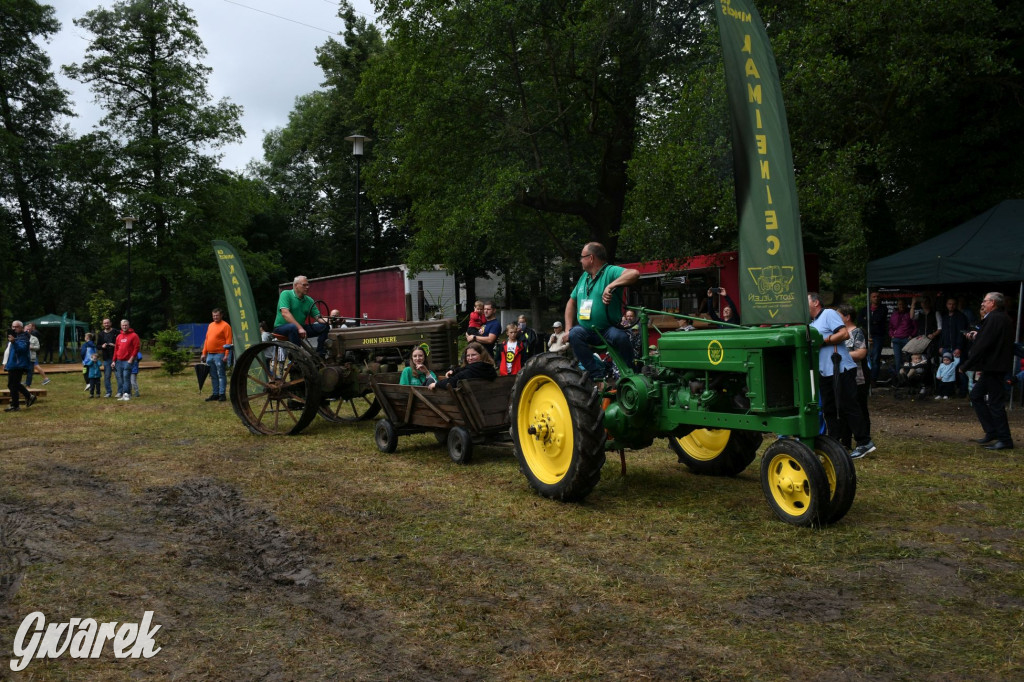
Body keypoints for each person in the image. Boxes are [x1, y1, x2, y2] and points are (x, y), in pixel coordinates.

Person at [561, 242, 640, 384]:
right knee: (574, 334)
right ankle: (597, 374)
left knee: (621, 338)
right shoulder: (583, 277)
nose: (580, 260)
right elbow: (571, 302)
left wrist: (611, 285)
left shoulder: (610, 271)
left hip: (608, 329)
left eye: (582, 257)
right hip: (586, 329)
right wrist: (567, 329)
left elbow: (634, 273)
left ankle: (630, 374)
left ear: (591, 258)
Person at [808, 293, 875, 459]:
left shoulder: (828, 314)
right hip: (825, 371)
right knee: (829, 409)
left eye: (806, 301)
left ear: (816, 302)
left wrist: (824, 340)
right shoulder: (813, 322)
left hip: (841, 369)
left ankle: (864, 442)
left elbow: (844, 334)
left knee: (848, 406)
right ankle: (834, 443)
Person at [962, 292, 1015, 450]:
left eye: (985, 301)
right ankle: (992, 431)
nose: (982, 304)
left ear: (992, 302)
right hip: (994, 366)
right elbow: (989, 339)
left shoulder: (994, 318)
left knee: (995, 403)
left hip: (994, 366)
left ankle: (1005, 439)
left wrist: (967, 364)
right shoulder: (1000, 318)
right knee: (976, 395)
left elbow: (984, 344)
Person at [838, 304, 870, 450]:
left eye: (839, 315)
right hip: (843, 377)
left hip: (858, 377)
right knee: (844, 409)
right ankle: (845, 442)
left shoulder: (857, 332)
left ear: (847, 317)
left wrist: (840, 356)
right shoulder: (839, 333)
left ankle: (864, 441)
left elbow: (861, 353)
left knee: (860, 408)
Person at [273, 275, 329, 356]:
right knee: (293, 327)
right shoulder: (286, 294)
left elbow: (319, 318)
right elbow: (285, 313)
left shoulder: (309, 300)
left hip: (300, 328)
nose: (307, 287)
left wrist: (333, 320)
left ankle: (320, 354)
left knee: (324, 327)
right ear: (296, 285)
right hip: (281, 328)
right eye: (304, 285)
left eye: (308, 285)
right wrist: (299, 328)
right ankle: (296, 357)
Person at [429, 342, 497, 390]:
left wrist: (436, 384)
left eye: (473, 355)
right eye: (468, 355)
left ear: (481, 355)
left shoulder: (470, 372)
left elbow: (452, 382)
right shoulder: (490, 368)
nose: (470, 358)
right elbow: (464, 369)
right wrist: (454, 371)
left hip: (472, 404)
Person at [201, 307, 233, 402]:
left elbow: (228, 341)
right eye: (213, 315)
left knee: (221, 374)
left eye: (217, 315)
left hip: (220, 354)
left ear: (221, 315)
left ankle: (222, 394)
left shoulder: (226, 326)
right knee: (213, 375)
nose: (215, 317)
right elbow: (207, 340)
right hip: (210, 354)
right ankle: (215, 394)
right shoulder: (210, 325)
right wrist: (204, 353)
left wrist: (226, 355)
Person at [4, 321, 36, 412]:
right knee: (13, 384)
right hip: (13, 364)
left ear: (21, 327)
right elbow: (9, 351)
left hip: (19, 364)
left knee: (13, 384)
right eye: (13, 326)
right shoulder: (15, 336)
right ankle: (28, 397)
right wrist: (6, 363)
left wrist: (14, 342)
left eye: (16, 327)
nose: (14, 328)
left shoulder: (23, 337)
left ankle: (16, 405)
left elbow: (22, 350)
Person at [863, 291, 888, 385]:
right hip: (867, 335)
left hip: (878, 336)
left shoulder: (883, 309)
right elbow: (861, 320)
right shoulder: (865, 309)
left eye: (877, 296)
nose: (876, 298)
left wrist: (869, 320)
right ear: (870, 298)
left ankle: (873, 379)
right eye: (874, 296)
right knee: (866, 357)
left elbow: (878, 319)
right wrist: (870, 321)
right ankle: (866, 378)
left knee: (875, 357)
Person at [113, 319, 141, 401]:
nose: (124, 327)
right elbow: (116, 349)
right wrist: (114, 360)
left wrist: (131, 359)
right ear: (121, 326)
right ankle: (126, 393)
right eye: (123, 325)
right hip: (119, 360)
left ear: (128, 326)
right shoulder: (119, 336)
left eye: (126, 325)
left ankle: (126, 394)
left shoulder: (134, 335)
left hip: (128, 360)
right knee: (120, 378)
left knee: (126, 376)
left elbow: (136, 348)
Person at [888, 299, 915, 373]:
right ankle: (898, 378)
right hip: (896, 339)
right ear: (897, 305)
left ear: (906, 305)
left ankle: (908, 376)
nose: (902, 306)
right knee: (897, 359)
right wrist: (892, 335)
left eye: (903, 304)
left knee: (908, 358)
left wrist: (911, 335)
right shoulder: (894, 315)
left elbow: (915, 326)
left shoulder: (910, 314)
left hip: (906, 339)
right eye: (900, 304)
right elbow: (890, 327)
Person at [22, 323, 49, 387]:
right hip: (24, 357)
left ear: (31, 329)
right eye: (26, 329)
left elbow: (37, 346)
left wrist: (32, 347)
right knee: (26, 369)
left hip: (31, 356)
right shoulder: (21, 337)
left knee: (33, 368)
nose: (27, 330)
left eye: (29, 329)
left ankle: (29, 383)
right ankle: (26, 381)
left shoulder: (34, 336)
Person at [97, 318, 118, 398]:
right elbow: (97, 346)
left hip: (116, 357)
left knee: (118, 375)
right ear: (103, 324)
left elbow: (121, 344)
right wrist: (102, 346)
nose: (106, 324)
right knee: (107, 376)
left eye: (107, 323)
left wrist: (115, 345)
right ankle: (108, 392)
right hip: (106, 358)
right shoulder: (101, 334)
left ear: (110, 323)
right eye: (105, 323)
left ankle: (120, 391)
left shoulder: (116, 332)